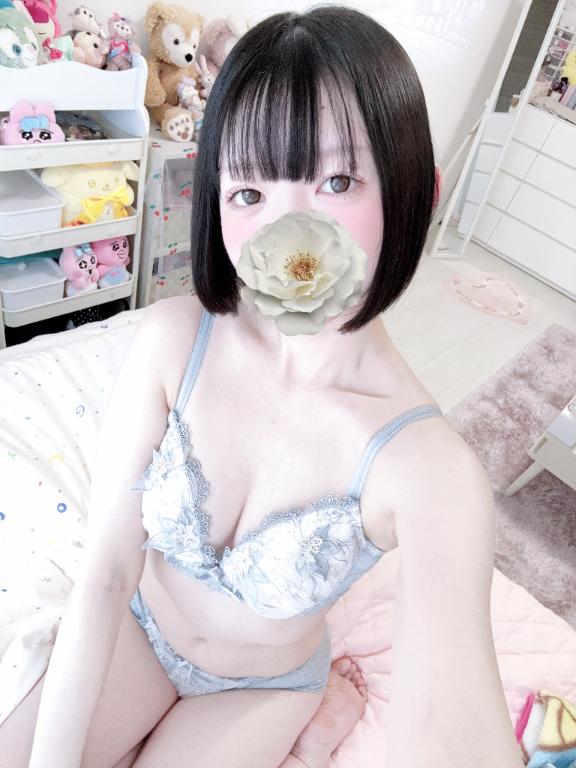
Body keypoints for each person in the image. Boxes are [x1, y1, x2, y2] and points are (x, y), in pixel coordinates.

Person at [0, 6, 525, 768]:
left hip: (260, 688)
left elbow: (451, 728)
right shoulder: (171, 342)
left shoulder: (426, 470)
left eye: (337, 180)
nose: (288, 235)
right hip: (142, 629)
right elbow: (107, 574)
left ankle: (317, 719)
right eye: (249, 193)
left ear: (419, 191)